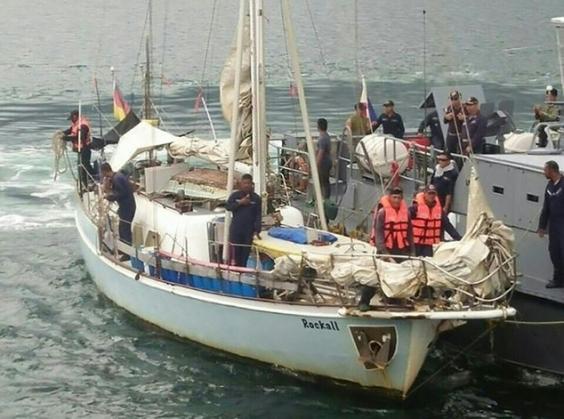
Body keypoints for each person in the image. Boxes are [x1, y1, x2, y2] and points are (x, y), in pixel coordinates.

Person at [360, 187, 413, 311]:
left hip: (400, 249)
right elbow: (379, 234)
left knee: (400, 276)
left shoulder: (406, 213)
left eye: (399, 198)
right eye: (394, 197)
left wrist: (412, 252)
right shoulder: (382, 213)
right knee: (375, 277)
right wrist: (385, 253)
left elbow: (410, 233)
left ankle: (394, 299)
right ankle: (364, 301)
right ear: (389, 198)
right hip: (385, 249)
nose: (397, 200)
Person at [409, 185, 461, 257]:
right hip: (415, 243)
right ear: (424, 194)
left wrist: (459, 239)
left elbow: (448, 226)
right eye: (429, 193)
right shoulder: (415, 208)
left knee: (428, 262)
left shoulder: (439, 210)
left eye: (433, 193)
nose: (431, 196)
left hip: (429, 245)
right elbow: (405, 223)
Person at [101, 163, 136, 259]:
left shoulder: (117, 179)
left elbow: (121, 193)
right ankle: (124, 249)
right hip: (125, 206)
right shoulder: (117, 177)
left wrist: (109, 197)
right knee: (122, 228)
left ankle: (128, 253)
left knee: (125, 229)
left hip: (127, 207)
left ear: (104, 171)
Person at [226, 173, 262, 267]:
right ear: (241, 184)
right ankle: (234, 271)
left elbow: (258, 215)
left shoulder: (256, 198)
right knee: (235, 255)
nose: (246, 185)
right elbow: (228, 207)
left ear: (252, 184)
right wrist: (240, 203)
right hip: (236, 230)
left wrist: (257, 230)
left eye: (248, 183)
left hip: (248, 231)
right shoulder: (235, 196)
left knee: (245, 255)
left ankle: (242, 270)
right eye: (244, 183)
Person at [538, 160, 564, 288]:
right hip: (554, 225)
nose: (544, 173)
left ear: (552, 170)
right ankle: (558, 280)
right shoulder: (549, 186)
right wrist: (542, 226)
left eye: (545, 170)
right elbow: (546, 208)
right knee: (554, 252)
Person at [63, 109, 94, 189]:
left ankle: (87, 184)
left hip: (84, 149)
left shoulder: (83, 126)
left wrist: (67, 138)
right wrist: (62, 133)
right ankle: (84, 182)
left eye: (72, 118)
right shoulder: (76, 123)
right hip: (80, 149)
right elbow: (70, 130)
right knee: (81, 166)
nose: (71, 120)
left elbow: (79, 137)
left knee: (84, 167)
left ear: (75, 116)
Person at [316, 118, 332, 199]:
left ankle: (324, 198)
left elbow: (321, 153)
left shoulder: (322, 138)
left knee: (322, 181)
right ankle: (326, 197)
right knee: (326, 181)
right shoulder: (327, 136)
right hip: (328, 161)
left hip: (323, 163)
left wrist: (316, 165)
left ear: (318, 126)